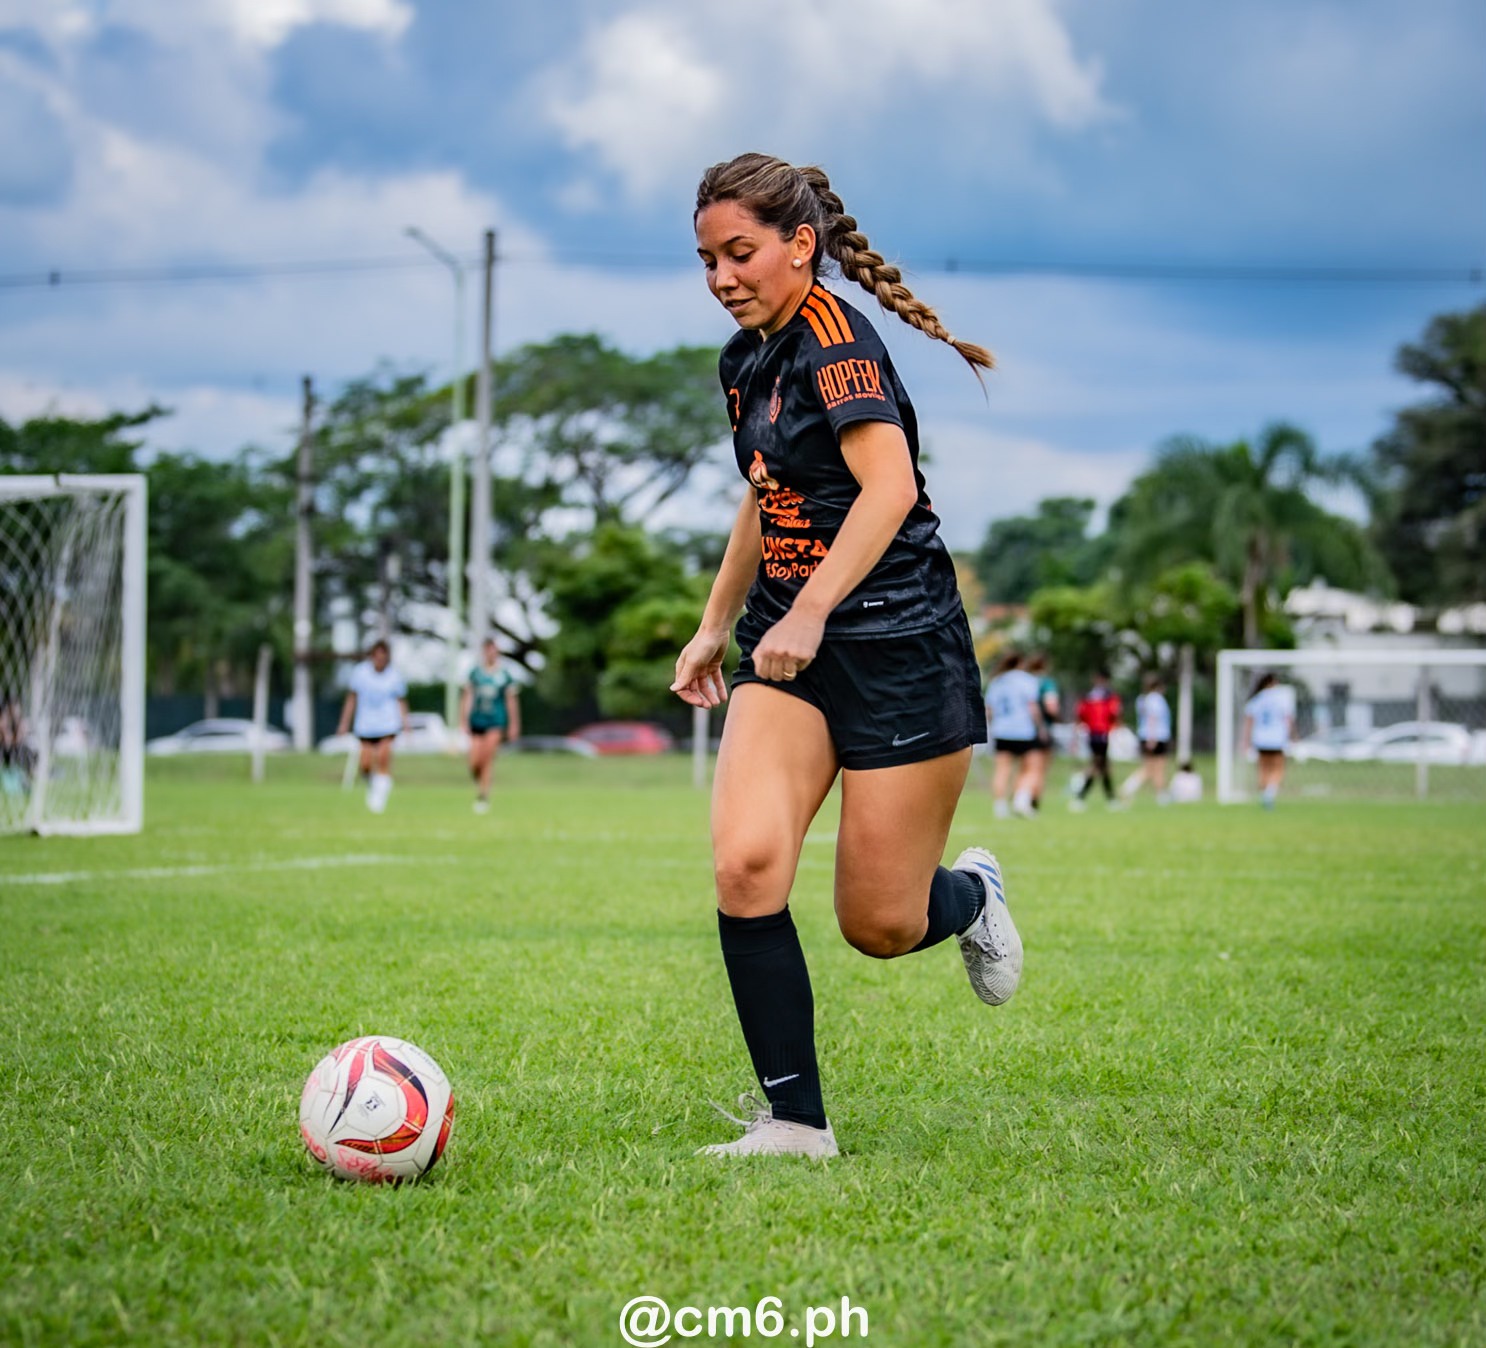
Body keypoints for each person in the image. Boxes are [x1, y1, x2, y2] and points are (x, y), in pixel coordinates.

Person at [671, 152, 1023, 1159]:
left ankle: (971, 897)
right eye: (705, 260)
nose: (722, 278)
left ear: (800, 245)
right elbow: (764, 490)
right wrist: (713, 623)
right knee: (744, 866)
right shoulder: (746, 359)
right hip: (789, 651)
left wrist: (813, 608)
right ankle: (795, 1122)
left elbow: (890, 488)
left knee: (878, 922)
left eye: (739, 254)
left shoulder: (839, 344)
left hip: (900, 648)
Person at [336, 640, 410, 814]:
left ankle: (380, 796)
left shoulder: (394, 675)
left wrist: (406, 724)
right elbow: (351, 698)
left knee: (383, 758)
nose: (380, 660)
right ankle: (375, 785)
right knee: (366, 764)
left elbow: (401, 700)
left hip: (388, 724)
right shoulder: (360, 673)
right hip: (366, 725)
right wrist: (344, 723)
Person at [460, 638, 521, 814]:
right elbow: (467, 697)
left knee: (487, 759)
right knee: (474, 762)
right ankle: (480, 785)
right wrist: (463, 720)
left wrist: (514, 724)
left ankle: (483, 796)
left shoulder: (504, 675)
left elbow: (511, 701)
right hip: (477, 721)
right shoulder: (475, 674)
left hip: (496, 722)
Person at [985, 651, 1043, 819]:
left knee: (1002, 769)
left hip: (1002, 731)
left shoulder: (997, 681)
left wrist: (995, 726)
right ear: (1020, 662)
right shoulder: (1027, 680)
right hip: (1023, 730)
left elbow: (989, 710)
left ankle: (1000, 807)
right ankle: (1021, 799)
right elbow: (1032, 707)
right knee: (1032, 768)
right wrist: (1040, 727)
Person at [1241, 671, 1294, 808]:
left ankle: (1265, 795)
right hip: (1277, 739)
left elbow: (1249, 723)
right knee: (1278, 769)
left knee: (1263, 769)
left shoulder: (1255, 700)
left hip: (1260, 739)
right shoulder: (1281, 699)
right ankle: (1269, 794)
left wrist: (1246, 742)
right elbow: (1288, 720)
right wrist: (1293, 737)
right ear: (1272, 683)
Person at [1071, 671, 1122, 811]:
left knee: (1102, 766)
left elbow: (1080, 716)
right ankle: (1082, 797)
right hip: (1099, 734)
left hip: (1096, 735)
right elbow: (1115, 714)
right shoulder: (1108, 697)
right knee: (1098, 765)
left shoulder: (1089, 696)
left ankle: (1109, 798)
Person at [1120, 673, 1173, 804]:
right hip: (1156, 736)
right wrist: (1152, 738)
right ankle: (1160, 795)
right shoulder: (1155, 699)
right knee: (1158, 767)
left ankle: (1130, 788)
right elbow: (1152, 719)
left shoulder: (1142, 699)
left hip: (1146, 735)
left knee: (1149, 769)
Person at [1026, 652, 1060, 810]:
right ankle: (1032, 801)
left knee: (1025, 768)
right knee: (1038, 769)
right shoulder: (1046, 683)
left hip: (1022, 731)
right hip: (1041, 729)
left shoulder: (1024, 680)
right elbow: (1051, 706)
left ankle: (1020, 796)